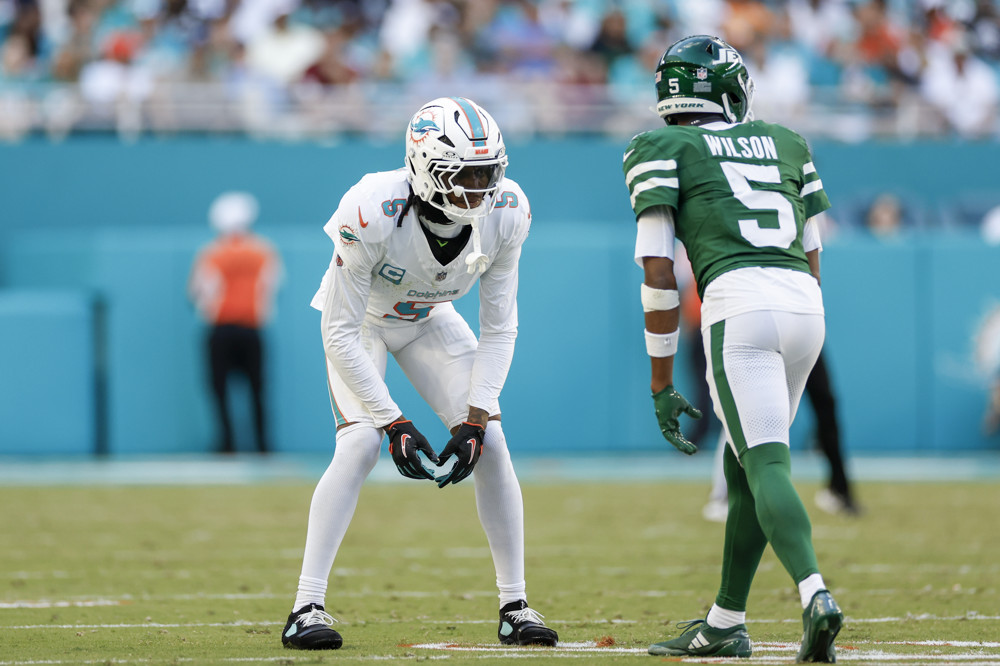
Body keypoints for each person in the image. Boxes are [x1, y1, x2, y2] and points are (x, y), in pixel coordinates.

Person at [280, 96, 558, 651]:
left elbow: (501, 328)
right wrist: (392, 422)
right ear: (424, 167)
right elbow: (338, 330)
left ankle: (515, 605)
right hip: (361, 325)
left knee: (494, 442)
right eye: (465, 174)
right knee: (359, 445)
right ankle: (305, 607)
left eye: (488, 173)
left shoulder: (507, 211)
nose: (480, 188)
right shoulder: (372, 206)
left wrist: (475, 419)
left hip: (429, 319)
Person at [622, 35, 844, 662]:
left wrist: (661, 382)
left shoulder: (658, 148)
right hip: (805, 303)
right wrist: (799, 314)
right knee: (747, 465)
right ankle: (726, 621)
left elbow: (660, 275)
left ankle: (814, 594)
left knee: (766, 464)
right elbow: (813, 247)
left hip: (737, 306)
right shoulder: (786, 141)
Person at [704, 349, 861, 521]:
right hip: (763, 343)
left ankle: (838, 488)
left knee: (825, 404)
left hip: (800, 334)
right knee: (747, 409)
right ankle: (724, 494)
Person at [188, 191, 282, 455]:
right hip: (253, 329)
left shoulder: (211, 253)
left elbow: (197, 291)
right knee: (258, 390)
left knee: (219, 391)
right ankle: (263, 446)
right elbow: (274, 286)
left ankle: (226, 444)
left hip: (220, 330)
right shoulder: (264, 251)